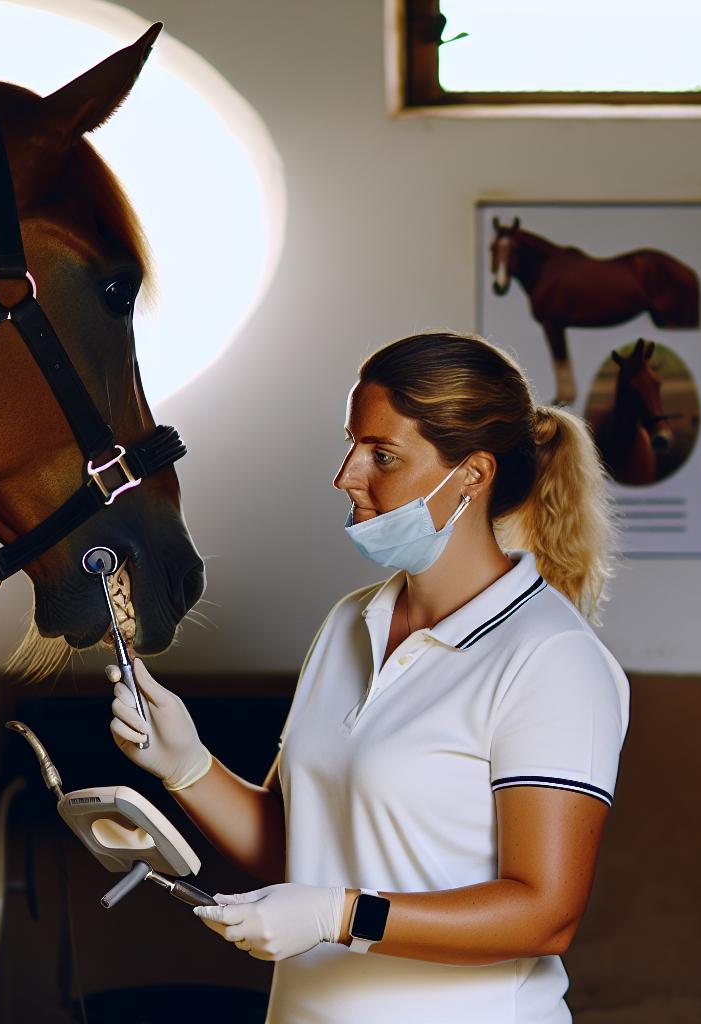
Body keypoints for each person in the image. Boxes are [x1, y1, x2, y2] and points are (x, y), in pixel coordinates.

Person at [108, 331, 631, 1023]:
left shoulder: (551, 659)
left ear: (471, 475)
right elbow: (298, 847)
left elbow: (543, 914)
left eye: (382, 455)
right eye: (353, 444)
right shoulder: (351, 624)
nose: (347, 475)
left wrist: (340, 915)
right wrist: (187, 766)